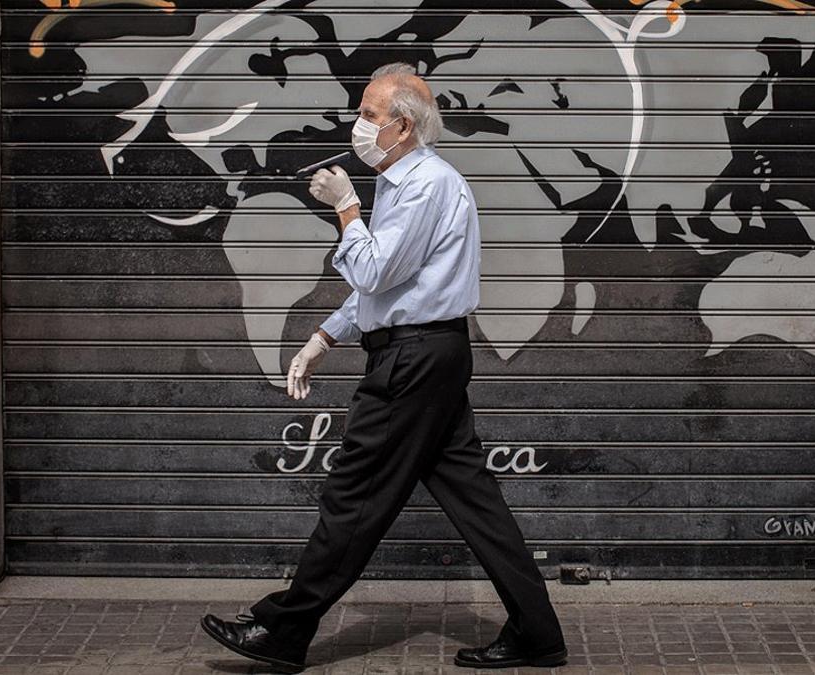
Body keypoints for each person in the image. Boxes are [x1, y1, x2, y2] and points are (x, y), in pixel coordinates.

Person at [199, 62, 567, 672]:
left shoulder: (423, 185)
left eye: (368, 115)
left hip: (413, 360)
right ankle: (539, 634)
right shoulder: (404, 183)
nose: (357, 125)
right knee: (476, 502)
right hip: (429, 352)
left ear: (401, 125)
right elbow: (385, 290)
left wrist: (345, 208)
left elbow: (372, 271)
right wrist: (324, 335)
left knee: (354, 496)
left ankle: (285, 632)